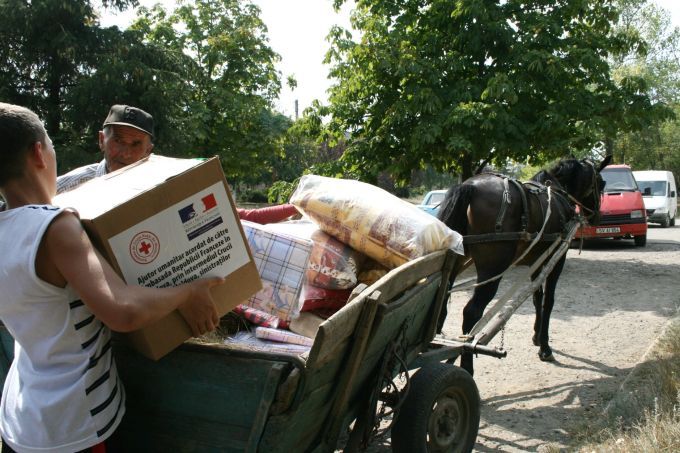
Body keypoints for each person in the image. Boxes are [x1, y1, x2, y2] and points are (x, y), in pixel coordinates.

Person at [0, 103, 224, 451]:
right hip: (75, 423)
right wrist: (189, 292)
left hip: (21, 418)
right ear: (39, 154)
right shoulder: (54, 225)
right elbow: (123, 310)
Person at [56, 104, 298, 223]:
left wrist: (299, 207)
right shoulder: (67, 189)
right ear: (101, 140)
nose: (125, 153)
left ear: (149, 150)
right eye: (117, 141)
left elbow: (240, 217)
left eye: (136, 145)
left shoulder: (168, 186)